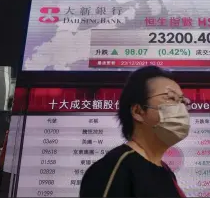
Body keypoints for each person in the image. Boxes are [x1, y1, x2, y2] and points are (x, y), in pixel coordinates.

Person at [79, 66, 190, 197]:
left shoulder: (166, 172)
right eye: (170, 98)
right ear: (138, 111)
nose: (181, 108)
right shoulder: (113, 168)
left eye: (182, 101)